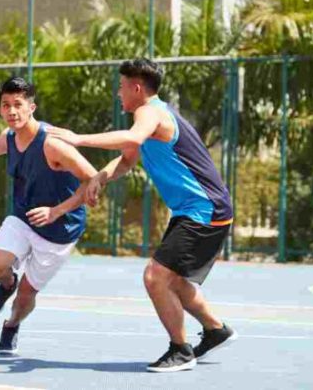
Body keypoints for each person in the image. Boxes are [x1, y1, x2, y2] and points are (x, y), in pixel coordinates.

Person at [47, 58, 237, 372]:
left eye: (121, 88)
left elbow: (132, 139)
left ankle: (180, 350)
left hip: (204, 209)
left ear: (136, 88)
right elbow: (127, 159)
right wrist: (100, 177)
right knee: (174, 281)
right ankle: (216, 330)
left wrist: (77, 139)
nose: (118, 94)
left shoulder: (149, 112)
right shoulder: (152, 115)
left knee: (155, 277)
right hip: (197, 208)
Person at [0, 76, 97, 355]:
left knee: (27, 295)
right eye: (6, 105)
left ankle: (12, 324)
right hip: (24, 216)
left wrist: (57, 210)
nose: (12, 111)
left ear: (32, 108)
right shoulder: (9, 137)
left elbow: (94, 178)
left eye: (18, 104)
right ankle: (7, 283)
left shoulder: (52, 144)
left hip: (60, 229)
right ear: (0, 109)